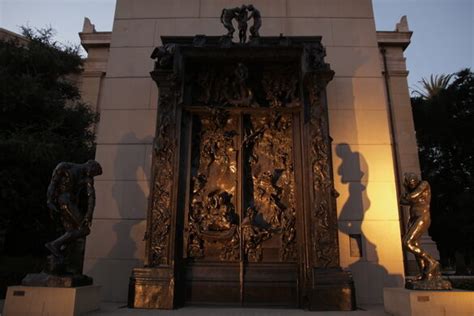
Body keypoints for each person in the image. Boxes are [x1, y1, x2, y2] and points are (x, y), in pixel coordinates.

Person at [45, 160, 102, 258]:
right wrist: (49, 201)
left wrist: (88, 215)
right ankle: (54, 244)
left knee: (72, 233)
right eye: (94, 172)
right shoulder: (65, 166)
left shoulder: (87, 178)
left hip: (70, 202)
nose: (92, 175)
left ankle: (60, 255)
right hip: (64, 201)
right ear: (90, 165)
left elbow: (91, 197)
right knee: (84, 230)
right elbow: (53, 184)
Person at [400, 173, 439, 281]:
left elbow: (412, 197)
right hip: (413, 219)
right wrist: (407, 194)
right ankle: (424, 272)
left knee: (407, 242)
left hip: (422, 217)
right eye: (409, 184)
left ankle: (431, 261)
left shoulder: (424, 184)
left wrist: (407, 194)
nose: (411, 185)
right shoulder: (412, 189)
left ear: (416, 180)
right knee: (415, 245)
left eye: (412, 182)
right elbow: (401, 201)